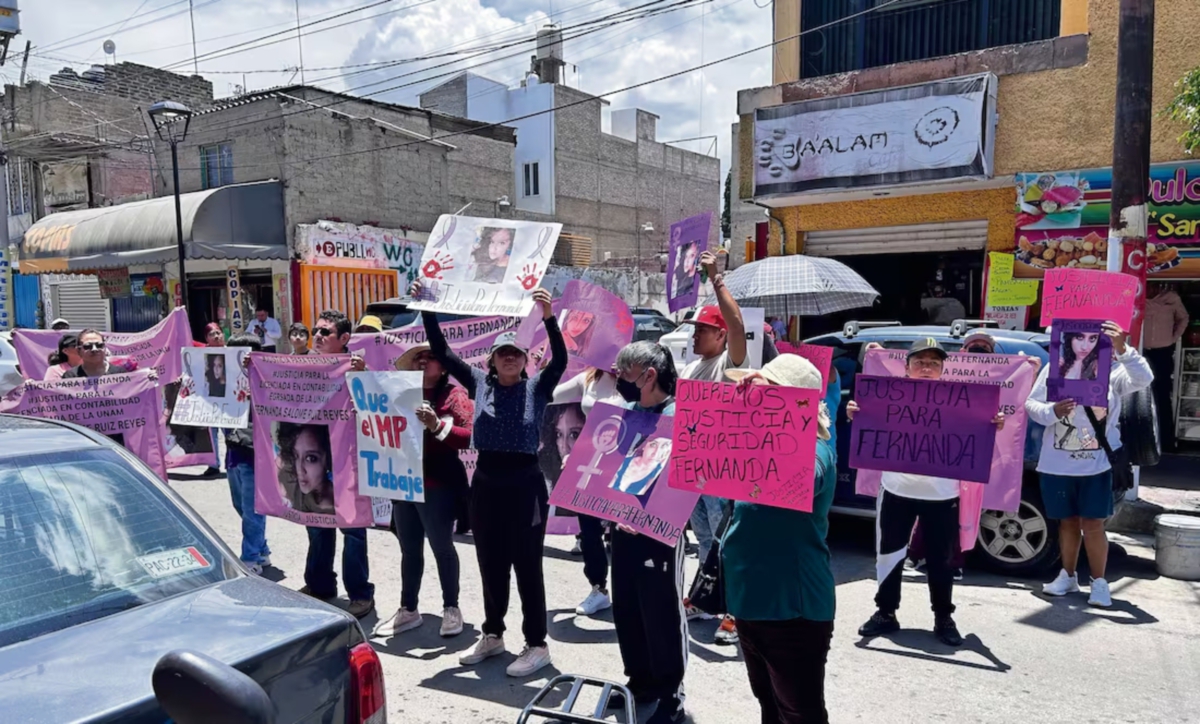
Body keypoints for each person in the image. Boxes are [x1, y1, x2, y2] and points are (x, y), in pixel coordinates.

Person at [414, 279, 566, 677]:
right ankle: (494, 634)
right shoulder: (479, 384)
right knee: (490, 562)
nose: (510, 359)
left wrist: (549, 320)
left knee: (527, 564)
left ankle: (536, 644)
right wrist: (427, 306)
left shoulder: (537, 387)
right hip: (485, 482)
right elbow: (443, 352)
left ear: (524, 359)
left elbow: (561, 361)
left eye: (516, 353)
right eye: (503, 354)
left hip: (525, 484)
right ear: (492, 361)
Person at [850, 338, 1005, 647]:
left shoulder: (957, 403)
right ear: (907, 368)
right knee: (890, 554)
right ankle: (885, 612)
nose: (926, 368)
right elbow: (868, 422)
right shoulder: (889, 398)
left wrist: (993, 424)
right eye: (920, 362)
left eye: (934, 363)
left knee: (942, 559)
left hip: (942, 494)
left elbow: (978, 433)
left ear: (942, 370)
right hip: (896, 490)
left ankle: (943, 617)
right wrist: (857, 412)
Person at [722, 354, 836, 724]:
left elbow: (809, 476)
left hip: (792, 608)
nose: (752, 395)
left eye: (765, 389)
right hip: (750, 602)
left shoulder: (815, 449)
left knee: (799, 713)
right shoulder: (753, 445)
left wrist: (767, 424)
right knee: (769, 706)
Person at [1026, 321, 1152, 608]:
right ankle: (1067, 576)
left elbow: (1144, 379)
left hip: (1095, 465)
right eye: (1078, 337)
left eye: (1093, 338)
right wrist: (1052, 411)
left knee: (1093, 525)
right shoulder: (1052, 369)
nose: (1085, 344)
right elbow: (1031, 406)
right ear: (1067, 340)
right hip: (1056, 464)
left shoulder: (1113, 372)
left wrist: (1124, 349)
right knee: (1067, 523)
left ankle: (1099, 582)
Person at [373, 343, 475, 640]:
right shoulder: (400, 393)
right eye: (418, 357)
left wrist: (436, 426)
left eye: (430, 357)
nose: (422, 362)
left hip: (438, 484)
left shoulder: (454, 395)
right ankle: (408, 609)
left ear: (443, 367)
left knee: (442, 547)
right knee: (409, 549)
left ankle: (451, 607)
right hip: (404, 481)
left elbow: (468, 437)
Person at [610, 340, 688, 724]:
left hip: (659, 534)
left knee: (661, 614)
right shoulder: (624, 412)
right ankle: (638, 682)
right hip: (621, 528)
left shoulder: (679, 417)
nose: (619, 379)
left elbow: (685, 480)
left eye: (624, 372)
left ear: (649, 375)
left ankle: (671, 695)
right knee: (626, 607)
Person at [678, 250, 747, 644]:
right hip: (694, 469)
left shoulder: (729, 362)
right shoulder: (690, 368)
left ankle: (736, 609)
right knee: (704, 537)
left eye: (702, 329)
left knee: (728, 540)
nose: (694, 334)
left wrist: (716, 279)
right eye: (694, 329)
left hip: (723, 469)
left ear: (720, 335)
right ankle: (708, 598)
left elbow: (738, 325)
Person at [299, 309, 376, 619]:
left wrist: (363, 376)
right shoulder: (300, 367)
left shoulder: (358, 367)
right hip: (316, 457)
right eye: (315, 331)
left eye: (325, 332)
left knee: (353, 531)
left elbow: (378, 402)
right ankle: (319, 585)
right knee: (317, 525)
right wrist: (253, 368)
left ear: (344, 339)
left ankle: (359, 594)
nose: (317, 336)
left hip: (349, 460)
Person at [908, 330, 997, 580]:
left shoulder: (999, 371)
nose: (978, 350)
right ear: (962, 351)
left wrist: (993, 421)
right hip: (916, 460)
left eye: (985, 347)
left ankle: (952, 561)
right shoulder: (945, 376)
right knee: (919, 507)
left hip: (956, 458)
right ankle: (914, 554)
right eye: (973, 345)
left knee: (956, 511)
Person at [552, 366, 622, 617]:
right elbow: (551, 394)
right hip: (590, 462)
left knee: (623, 532)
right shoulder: (589, 377)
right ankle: (599, 588)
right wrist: (542, 368)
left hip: (625, 462)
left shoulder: (637, 374)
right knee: (589, 529)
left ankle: (629, 591)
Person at [223, 334, 271, 575]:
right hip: (233, 450)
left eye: (247, 356)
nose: (242, 361)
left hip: (255, 454)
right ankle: (262, 549)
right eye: (236, 355)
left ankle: (250, 558)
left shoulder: (269, 381)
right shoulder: (225, 380)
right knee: (239, 505)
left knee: (252, 510)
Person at [1142, 283, 1189, 450]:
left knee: (1162, 396)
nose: (1150, 288)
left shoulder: (1171, 298)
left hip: (1162, 352)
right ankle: (1141, 440)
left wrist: (1173, 338)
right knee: (1139, 396)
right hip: (1141, 352)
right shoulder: (1138, 297)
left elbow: (1183, 318)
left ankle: (1166, 441)